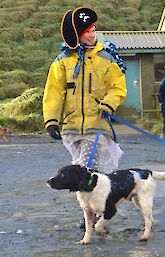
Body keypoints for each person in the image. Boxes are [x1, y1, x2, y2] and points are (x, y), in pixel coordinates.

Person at [43, 7, 127, 225]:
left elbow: (118, 87)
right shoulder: (61, 61)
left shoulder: (106, 58)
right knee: (81, 170)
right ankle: (96, 210)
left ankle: (95, 213)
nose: (92, 34)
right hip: (71, 128)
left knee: (88, 168)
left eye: (93, 29)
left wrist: (109, 103)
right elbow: (53, 92)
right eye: (87, 31)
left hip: (97, 124)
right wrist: (51, 120)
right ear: (75, 34)